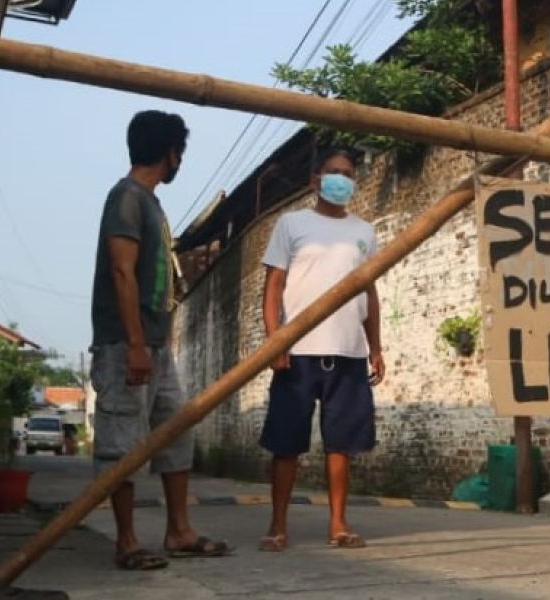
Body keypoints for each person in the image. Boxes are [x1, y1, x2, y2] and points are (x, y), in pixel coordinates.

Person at [90, 110, 231, 570]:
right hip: (123, 344)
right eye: (180, 153)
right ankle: (126, 542)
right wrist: (134, 343)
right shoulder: (126, 198)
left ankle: (179, 531)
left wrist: (157, 342)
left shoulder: (150, 203)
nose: (180, 162)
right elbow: (121, 271)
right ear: (170, 152)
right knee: (122, 444)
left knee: (175, 430)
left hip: (152, 345)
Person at [258, 148, 384, 552]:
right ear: (315, 181)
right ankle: (277, 526)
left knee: (342, 445)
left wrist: (375, 347)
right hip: (297, 352)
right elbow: (273, 286)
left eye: (348, 174)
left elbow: (370, 292)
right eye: (334, 172)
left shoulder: (364, 231)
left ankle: (338, 524)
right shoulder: (292, 223)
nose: (341, 180)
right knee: (286, 444)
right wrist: (275, 340)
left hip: (348, 352)